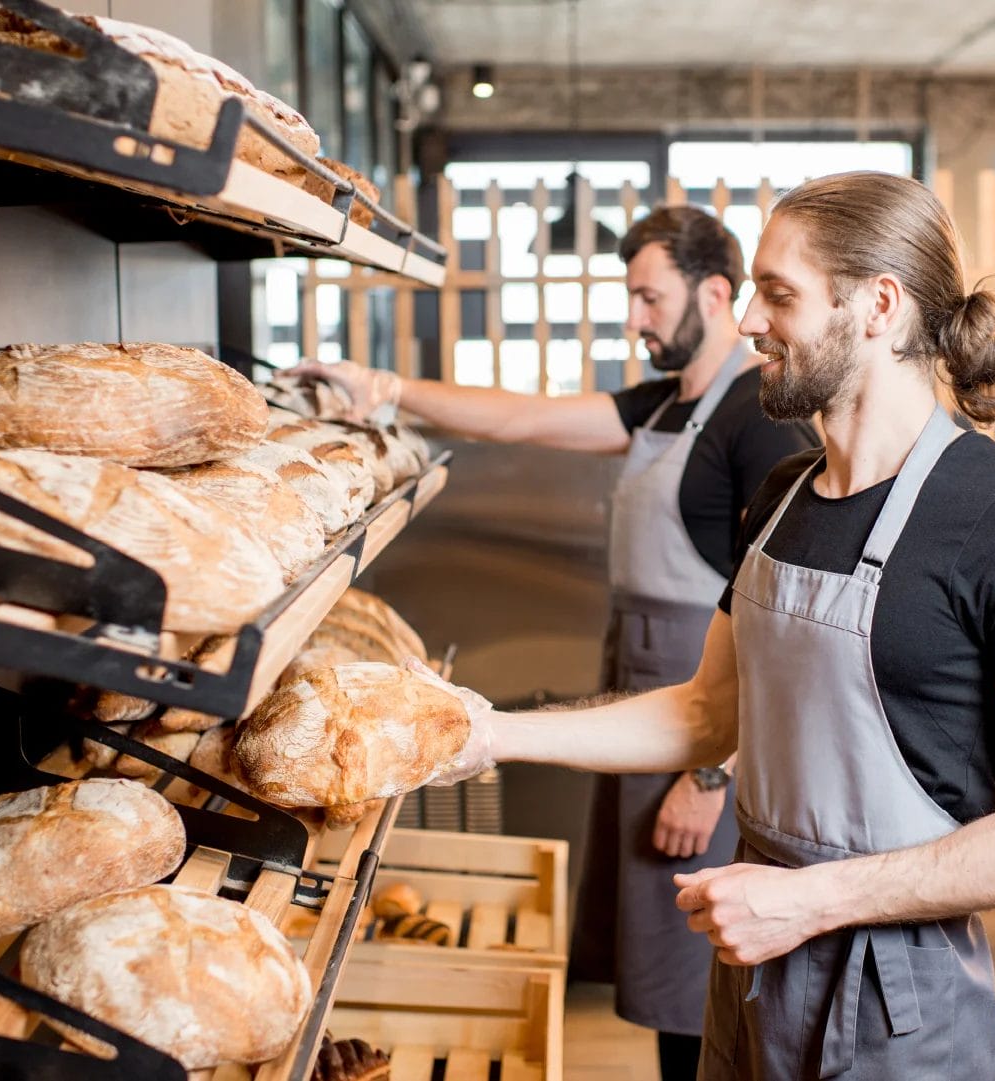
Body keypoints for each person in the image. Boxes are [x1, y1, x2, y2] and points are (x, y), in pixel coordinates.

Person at [420, 172, 995, 1079]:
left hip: (895, 991)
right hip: (754, 958)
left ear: (877, 305)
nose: (748, 321)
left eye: (777, 294)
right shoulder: (781, 498)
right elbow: (706, 714)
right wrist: (488, 732)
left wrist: (816, 899)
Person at [290, 205, 817, 1078]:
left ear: (715, 293)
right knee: (663, 962)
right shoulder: (666, 405)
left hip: (707, 731)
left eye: (649, 298)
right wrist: (383, 388)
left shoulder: (754, 422)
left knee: (705, 966)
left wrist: (710, 773)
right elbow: (523, 419)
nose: (635, 317)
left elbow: (780, 626)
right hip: (645, 705)